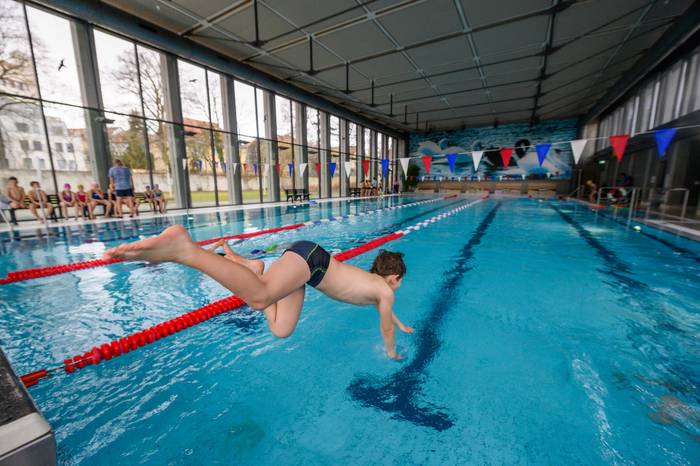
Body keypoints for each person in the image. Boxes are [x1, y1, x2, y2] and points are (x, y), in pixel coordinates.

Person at [104, 226, 414, 359]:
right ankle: (184, 248)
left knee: (281, 328)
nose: (396, 288)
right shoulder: (386, 292)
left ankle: (255, 271)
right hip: (311, 260)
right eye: (398, 282)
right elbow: (384, 324)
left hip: (309, 271)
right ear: (394, 278)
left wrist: (400, 324)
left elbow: (385, 312)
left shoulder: (377, 289)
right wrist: (391, 351)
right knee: (259, 297)